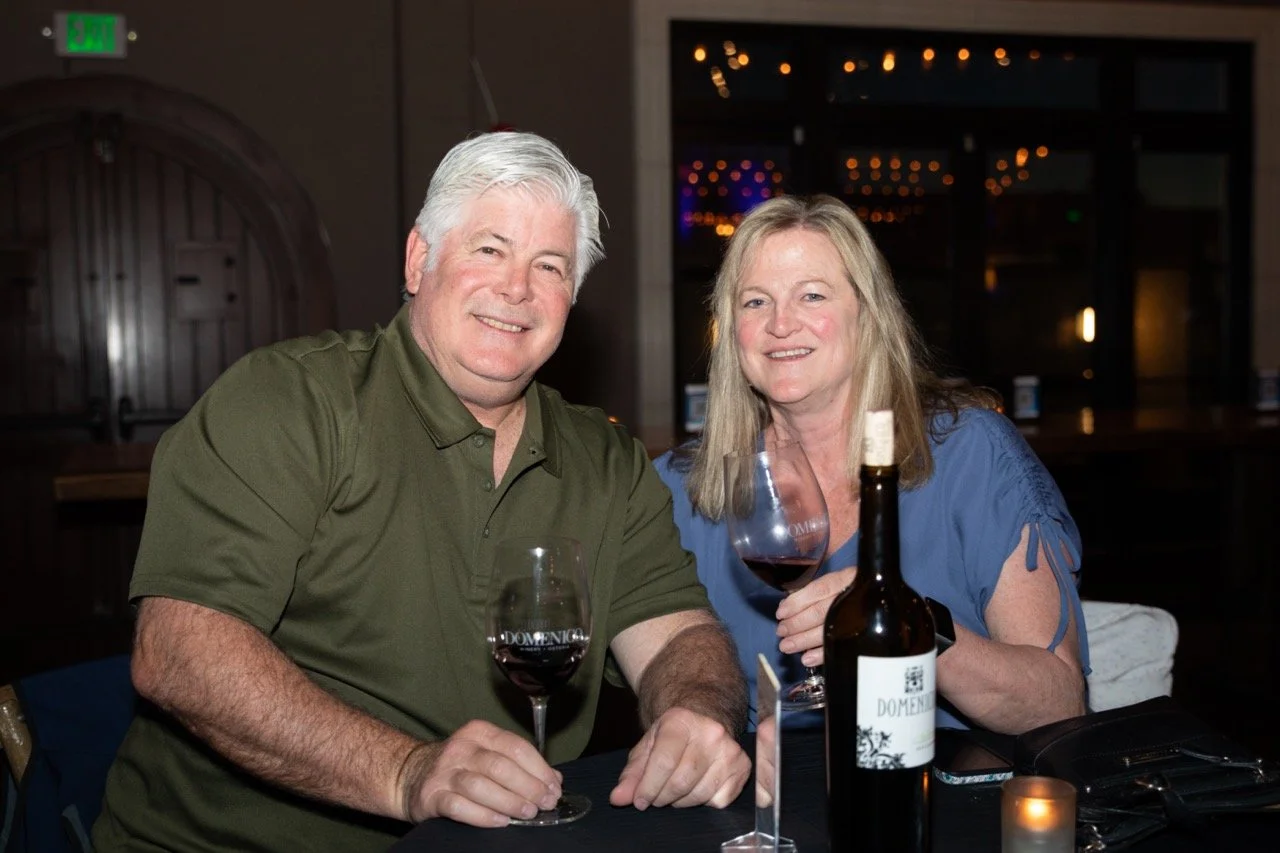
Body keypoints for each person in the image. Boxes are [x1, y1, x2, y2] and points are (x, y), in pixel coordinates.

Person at [93, 131, 750, 853]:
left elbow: (680, 637)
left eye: (550, 266)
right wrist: (408, 772)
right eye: (489, 249)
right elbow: (180, 651)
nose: (517, 288)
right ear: (418, 260)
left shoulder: (606, 460)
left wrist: (695, 713)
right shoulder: (290, 402)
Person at [654, 193, 1089, 735]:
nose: (780, 324)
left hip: (942, 801)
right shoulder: (678, 489)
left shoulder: (971, 455)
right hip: (766, 809)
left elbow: (1059, 702)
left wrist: (909, 623)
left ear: (869, 315)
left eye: (811, 296)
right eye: (755, 302)